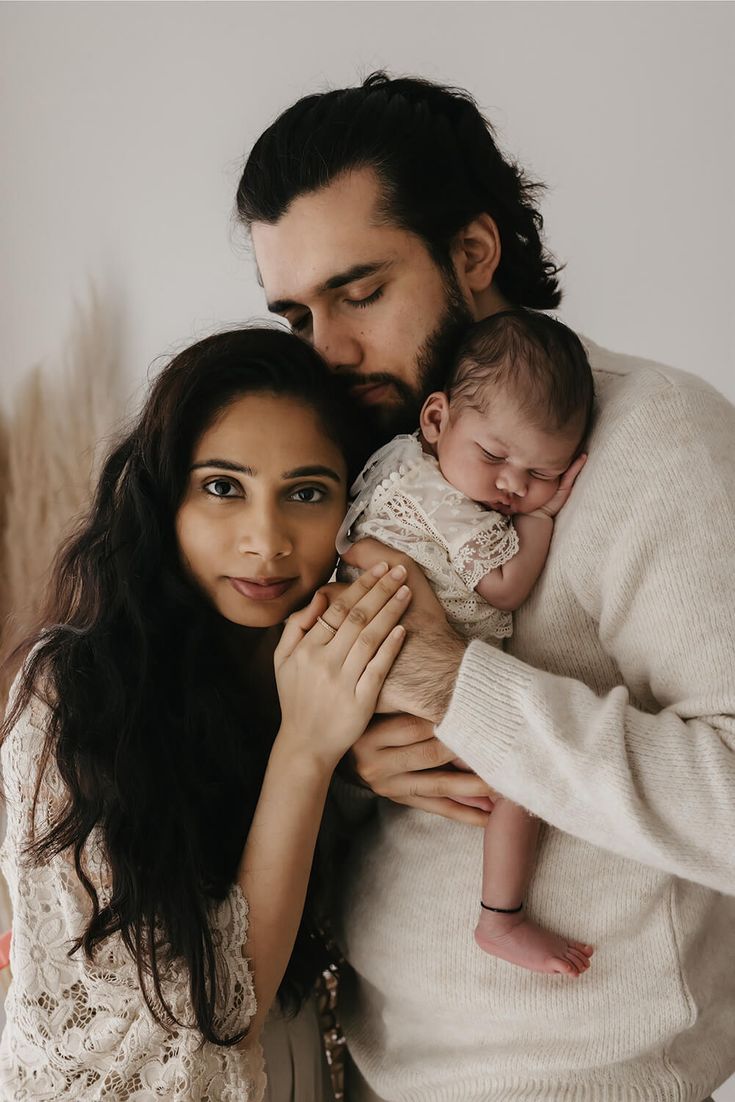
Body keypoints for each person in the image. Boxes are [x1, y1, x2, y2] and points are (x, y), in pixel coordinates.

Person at [237, 72, 735, 1101]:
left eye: (360, 291)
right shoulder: (361, 459)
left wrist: (456, 683)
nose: (325, 350)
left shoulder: (659, 441)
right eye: (296, 313)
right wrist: (355, 760)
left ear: (473, 251)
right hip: (358, 1073)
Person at [0, 326, 412, 1101]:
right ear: (164, 498)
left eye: (306, 492)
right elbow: (209, 1019)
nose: (266, 541)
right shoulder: (76, 692)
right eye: (223, 486)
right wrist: (305, 753)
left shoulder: (321, 672)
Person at [337, 308, 595, 976]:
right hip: (400, 658)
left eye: (541, 475)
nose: (511, 485)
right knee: (522, 771)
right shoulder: (447, 500)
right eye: (495, 458)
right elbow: (504, 587)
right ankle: (501, 919)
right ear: (435, 419)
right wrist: (541, 517)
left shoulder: (396, 459)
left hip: (365, 660)